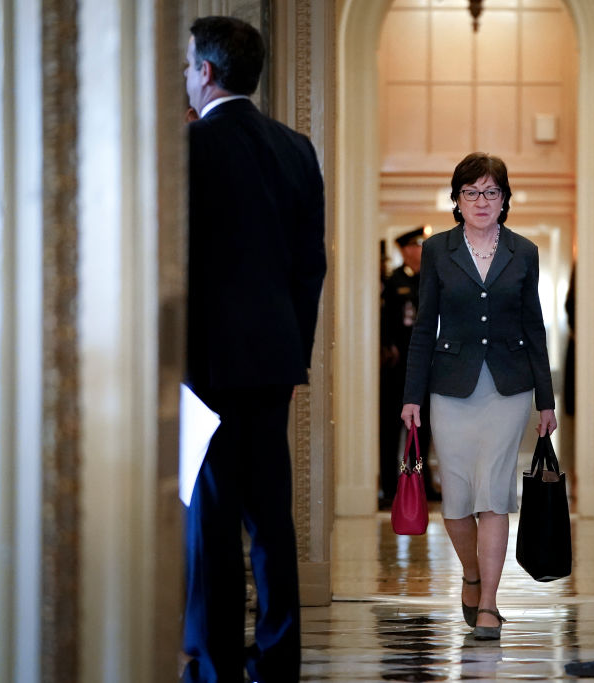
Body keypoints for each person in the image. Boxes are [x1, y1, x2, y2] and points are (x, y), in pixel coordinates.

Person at [183, 16, 326, 683]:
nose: (188, 75)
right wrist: (293, 352)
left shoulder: (189, 148)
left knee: (213, 519)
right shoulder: (296, 149)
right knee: (271, 516)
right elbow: (309, 267)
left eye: (189, 65)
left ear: (207, 71)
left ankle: (214, 664)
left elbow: (177, 266)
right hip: (273, 360)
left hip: (207, 363)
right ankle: (278, 661)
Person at [401, 152, 556, 641]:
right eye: (471, 192)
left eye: (491, 191)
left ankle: (488, 601)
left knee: (494, 495)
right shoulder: (437, 251)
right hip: (450, 386)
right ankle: (470, 572)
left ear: (505, 198)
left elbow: (535, 325)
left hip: (509, 388)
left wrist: (546, 400)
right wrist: (413, 397)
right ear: (457, 199)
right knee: (457, 500)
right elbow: (424, 326)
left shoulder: (524, 251)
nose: (482, 200)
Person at [379, 226, 439, 507]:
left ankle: (421, 483)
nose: (421, 251)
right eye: (417, 246)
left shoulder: (428, 279)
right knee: (393, 429)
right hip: (397, 368)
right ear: (405, 250)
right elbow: (386, 323)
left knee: (423, 428)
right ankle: (391, 488)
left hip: (425, 366)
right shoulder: (394, 282)